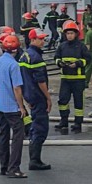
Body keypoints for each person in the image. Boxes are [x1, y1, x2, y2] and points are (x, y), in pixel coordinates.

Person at [0, 33, 28, 179]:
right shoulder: (14, 65)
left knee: (3, 136)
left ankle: (4, 167)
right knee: (18, 135)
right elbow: (17, 88)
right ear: (16, 50)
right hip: (12, 107)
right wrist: (22, 107)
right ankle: (14, 168)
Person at [20, 28, 53, 171]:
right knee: (40, 128)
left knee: (35, 127)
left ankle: (35, 158)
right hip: (38, 97)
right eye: (40, 39)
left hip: (30, 96)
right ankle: (35, 160)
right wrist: (48, 98)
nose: (43, 41)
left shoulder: (24, 56)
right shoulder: (36, 57)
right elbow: (41, 81)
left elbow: (21, 79)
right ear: (33, 40)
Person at [54, 20, 91, 134]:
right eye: (67, 33)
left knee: (78, 102)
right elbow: (56, 57)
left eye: (71, 33)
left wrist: (78, 63)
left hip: (78, 79)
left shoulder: (81, 46)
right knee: (62, 101)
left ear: (76, 34)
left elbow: (88, 59)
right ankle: (63, 121)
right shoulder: (62, 46)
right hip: (65, 79)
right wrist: (59, 62)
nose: (69, 35)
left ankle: (78, 123)